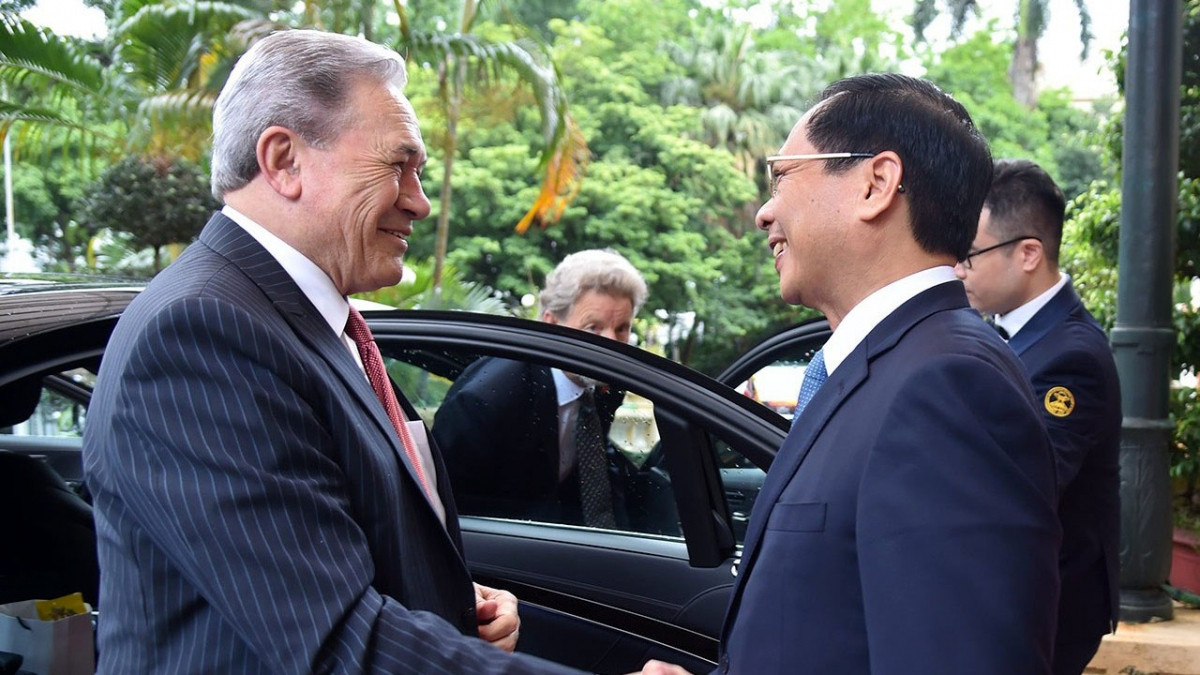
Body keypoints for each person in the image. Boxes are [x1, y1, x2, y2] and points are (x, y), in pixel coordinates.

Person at [81, 29, 587, 674]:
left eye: (420, 173)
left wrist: (457, 606)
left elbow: (336, 544)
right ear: (284, 160)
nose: (419, 201)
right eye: (396, 165)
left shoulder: (305, 323)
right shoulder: (202, 334)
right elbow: (336, 641)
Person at [719, 73, 1061, 673]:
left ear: (877, 184)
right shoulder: (889, 366)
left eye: (782, 176)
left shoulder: (949, 389)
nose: (764, 213)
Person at [955, 159, 1121, 675]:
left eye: (969, 255)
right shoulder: (1014, 333)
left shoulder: (1071, 357)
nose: (958, 271)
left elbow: (1024, 480)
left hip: (1050, 607)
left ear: (1029, 253)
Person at [434, 249, 664, 530]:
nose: (611, 344)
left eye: (622, 328)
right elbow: (446, 512)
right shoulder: (486, 401)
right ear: (552, 325)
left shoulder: (605, 385)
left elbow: (595, 468)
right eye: (593, 327)